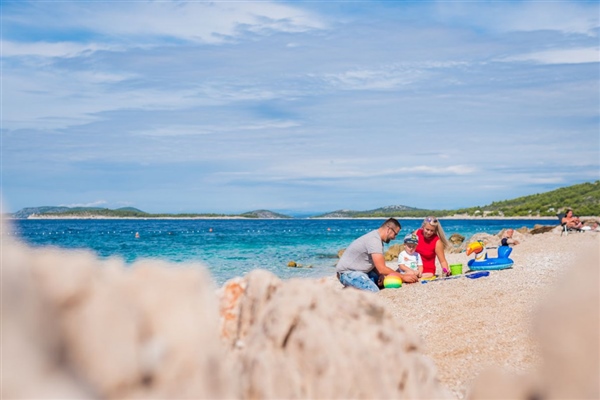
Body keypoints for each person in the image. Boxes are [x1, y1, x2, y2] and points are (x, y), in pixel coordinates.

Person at [336, 218, 402, 292]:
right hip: (347, 273)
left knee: (382, 283)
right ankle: (350, 290)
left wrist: (380, 275)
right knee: (373, 291)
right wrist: (403, 277)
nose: (394, 238)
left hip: (362, 272)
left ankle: (353, 288)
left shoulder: (377, 238)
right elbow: (382, 269)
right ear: (389, 229)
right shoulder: (374, 240)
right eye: (395, 234)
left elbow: (373, 263)